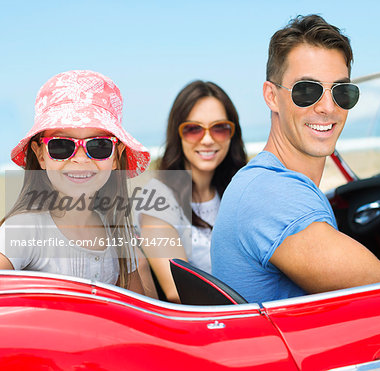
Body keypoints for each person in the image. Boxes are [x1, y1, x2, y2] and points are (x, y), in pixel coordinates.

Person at [211, 15, 380, 304]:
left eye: (342, 92)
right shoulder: (273, 196)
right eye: (306, 91)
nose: (327, 107)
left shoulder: (261, 181)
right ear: (271, 96)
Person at [0, 70, 153, 295]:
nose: (80, 159)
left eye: (99, 146)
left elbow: (142, 316)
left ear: (115, 157)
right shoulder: (23, 230)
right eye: (61, 146)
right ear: (40, 155)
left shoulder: (117, 233)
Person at [134, 80, 246, 302]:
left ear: (232, 134)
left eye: (219, 128)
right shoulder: (156, 199)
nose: (207, 139)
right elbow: (177, 292)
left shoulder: (236, 190)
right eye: (193, 129)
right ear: (178, 135)